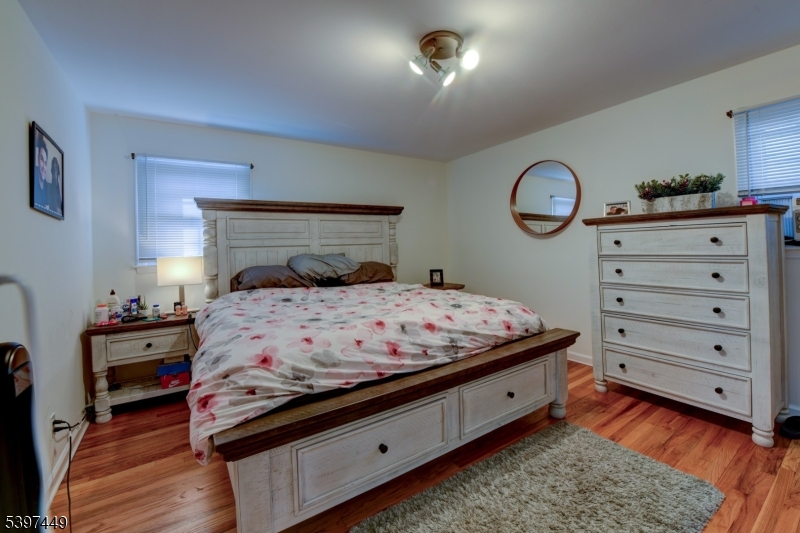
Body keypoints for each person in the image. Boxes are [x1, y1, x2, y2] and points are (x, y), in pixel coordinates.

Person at [32, 134, 51, 211]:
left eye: (46, 163)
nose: (44, 167)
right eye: (42, 159)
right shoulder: (33, 181)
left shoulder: (48, 188)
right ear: (37, 159)